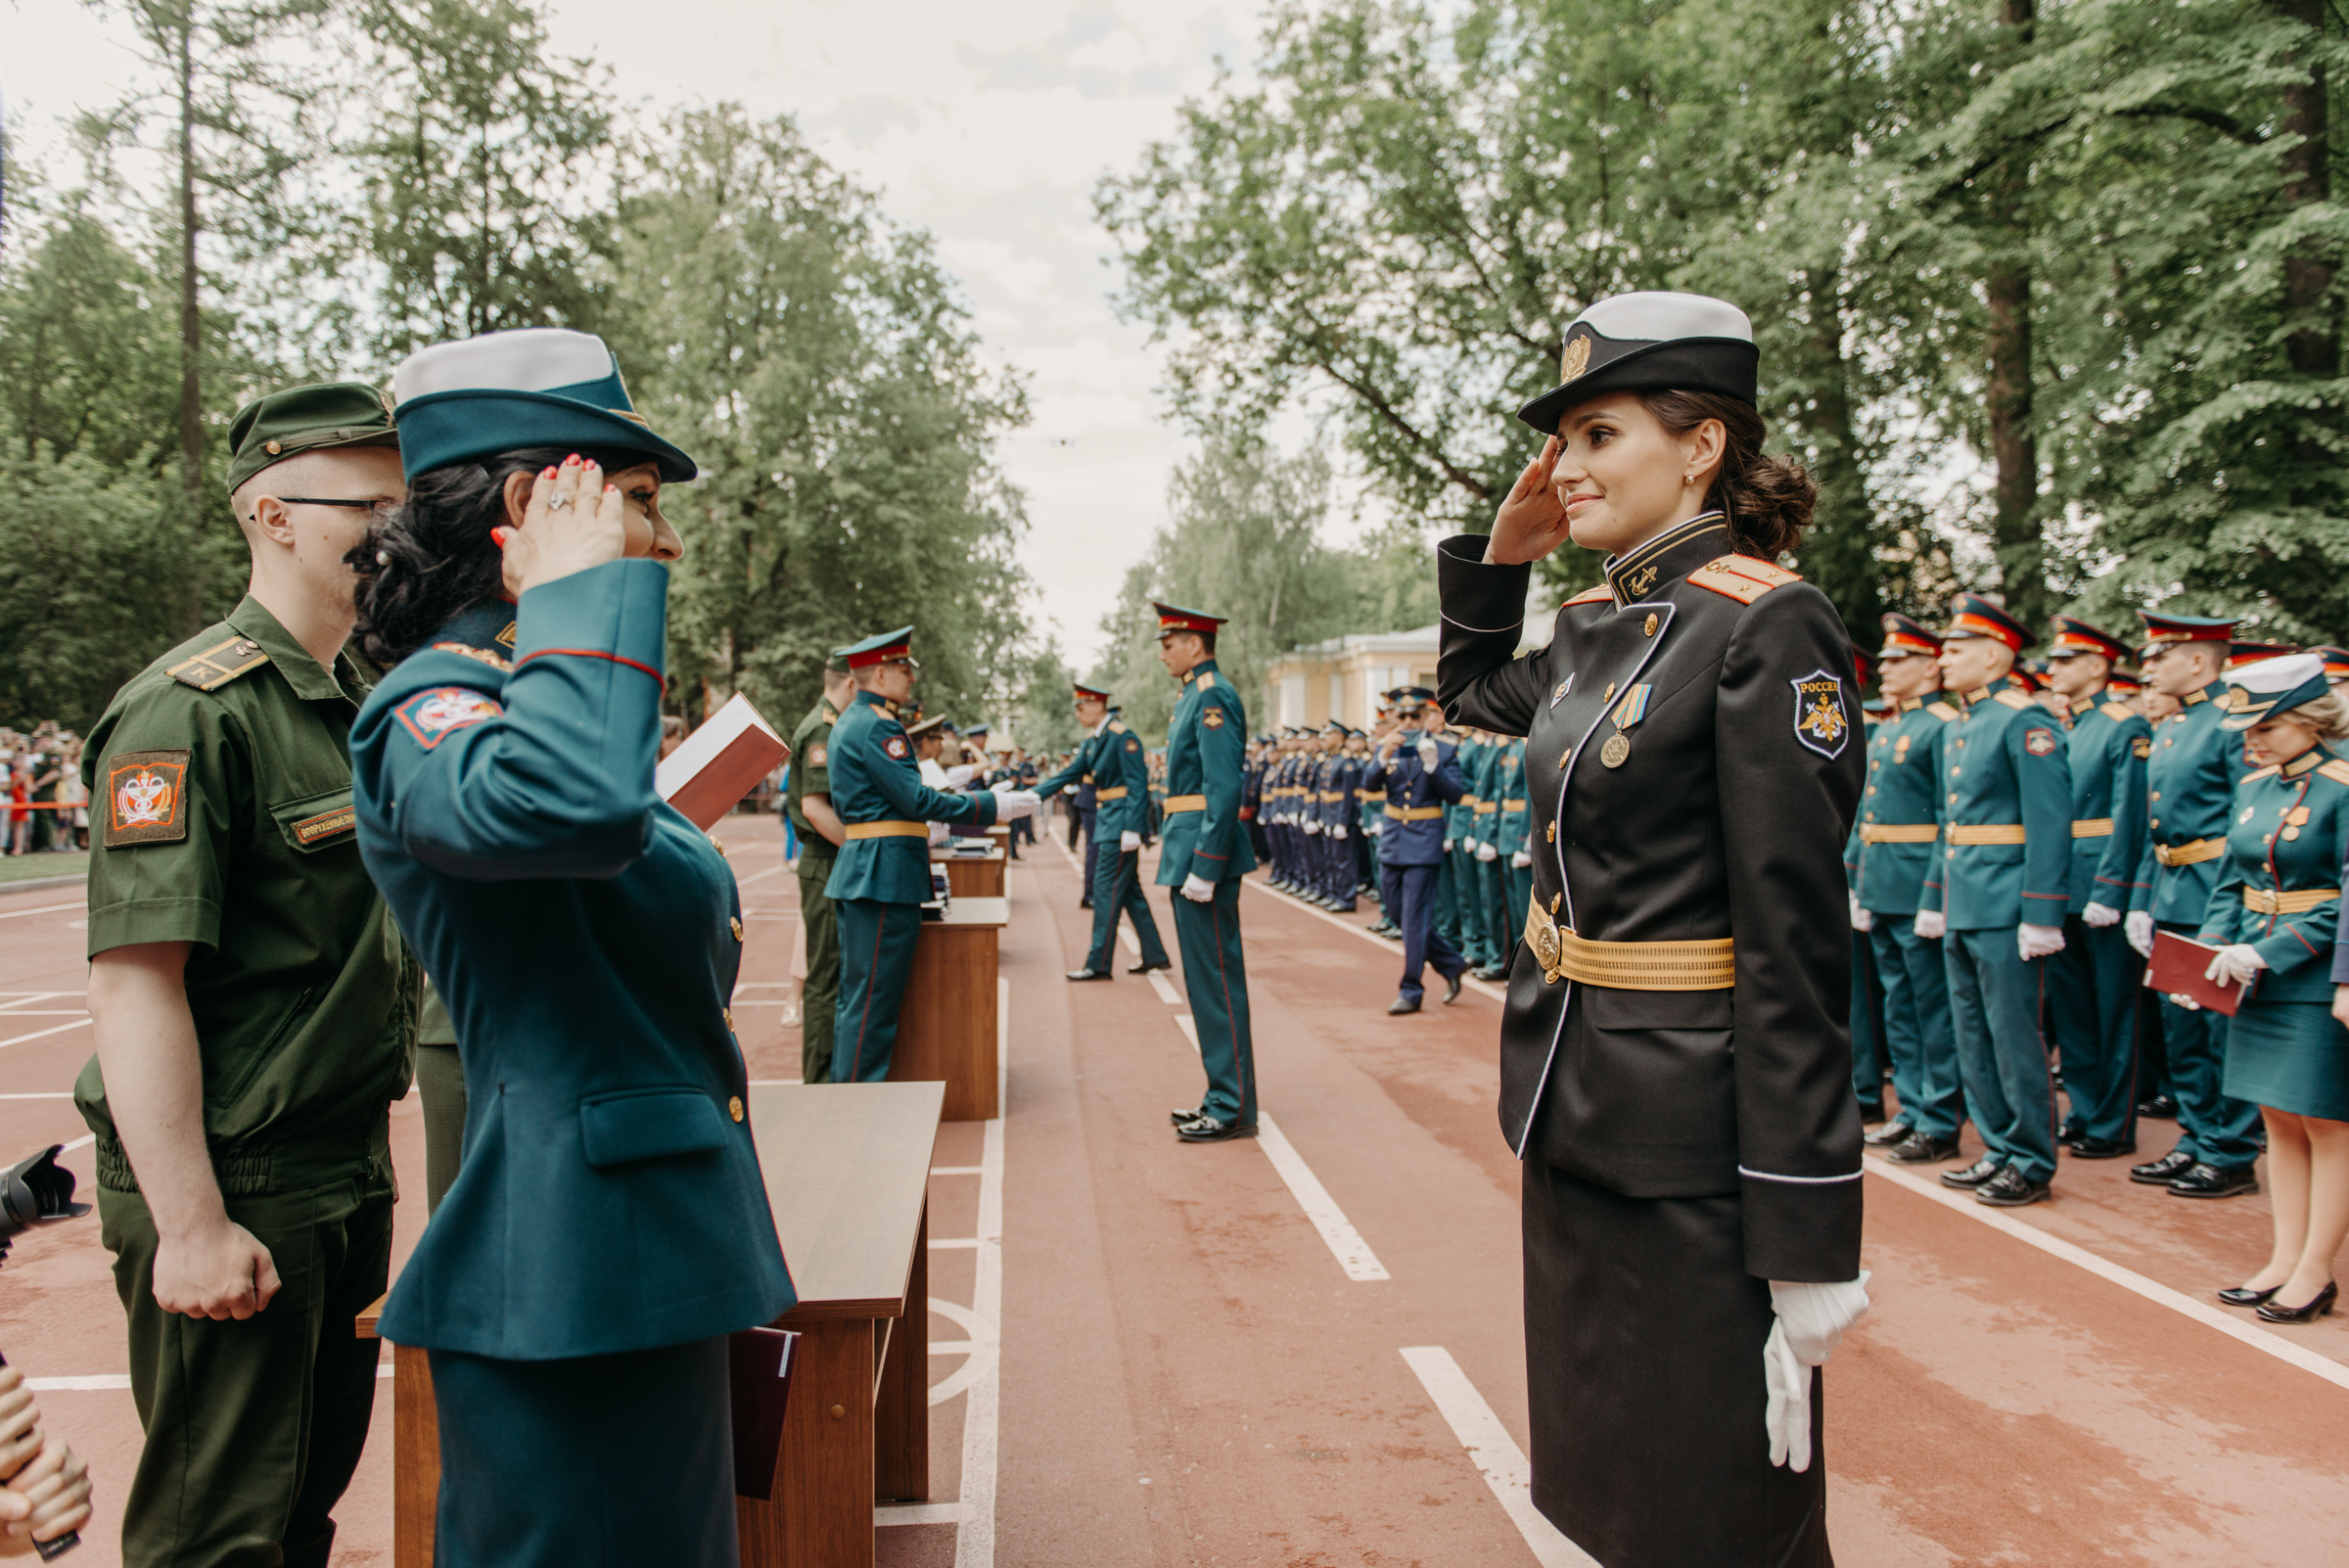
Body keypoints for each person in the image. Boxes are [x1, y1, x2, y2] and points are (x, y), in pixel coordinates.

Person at [346, 329, 794, 1564]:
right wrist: (579, 592)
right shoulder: (431, 709)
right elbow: (569, 815)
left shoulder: (528, 705)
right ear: (534, 505)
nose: (668, 540)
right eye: (640, 503)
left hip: (635, 1264)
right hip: (576, 1281)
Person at [1440, 291, 1867, 1567]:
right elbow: (1470, 688)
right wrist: (1504, 552)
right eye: (1562, 441)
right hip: (1577, 1117)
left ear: (1701, 446)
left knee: (1722, 1517)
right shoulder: (1592, 628)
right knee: (1616, 1499)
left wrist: (1805, 1236)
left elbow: (1796, 950)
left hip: (1698, 1155)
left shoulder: (1764, 622)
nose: (1567, 467)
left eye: (1599, 435)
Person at [77, 382, 416, 1568]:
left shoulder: (354, 702)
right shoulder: (188, 712)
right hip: (239, 1175)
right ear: (271, 514)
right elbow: (133, 982)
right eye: (367, 504)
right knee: (216, 1536)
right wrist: (191, 1223)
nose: (394, 530)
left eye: (403, 501)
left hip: (338, 1163)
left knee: (300, 1514)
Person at [2188, 655, 2349, 1321]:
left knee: (2327, 1122)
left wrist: (2268, 951)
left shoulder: (2343, 787)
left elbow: (2343, 897)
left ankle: (2316, 1269)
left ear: (2309, 720)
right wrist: (2203, 955)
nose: (2251, 741)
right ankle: (2284, 1257)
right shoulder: (2255, 788)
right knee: (2277, 1119)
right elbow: (2232, 882)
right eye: (2248, 729)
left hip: (2316, 974)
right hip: (2253, 973)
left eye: (2267, 728)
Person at [825, 628, 1038, 1082]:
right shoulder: (879, 725)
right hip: (883, 870)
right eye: (904, 670)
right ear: (879, 673)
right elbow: (917, 801)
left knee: (861, 998)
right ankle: (856, 1107)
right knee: (873, 1004)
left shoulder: (855, 720)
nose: (910, 679)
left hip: (871, 866)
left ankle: (852, 1101)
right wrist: (991, 805)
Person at [1920, 593, 2072, 1208]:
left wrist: (2041, 913)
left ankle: (2031, 1157)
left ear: (1995, 654)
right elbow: (1950, 823)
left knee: (2013, 1037)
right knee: (1972, 1036)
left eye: (1956, 649)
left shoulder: (2024, 720)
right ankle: (1998, 1146)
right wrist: (1936, 897)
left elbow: (2049, 823)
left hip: (2007, 906)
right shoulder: (1962, 723)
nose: (1943, 659)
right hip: (1965, 899)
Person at [2127, 610, 2264, 1198]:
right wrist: (2142, 898)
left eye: (2163, 655)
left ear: (2200, 660)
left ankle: (2229, 1150)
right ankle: (2197, 1136)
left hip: (2215, 892)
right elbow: (2155, 826)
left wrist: (2229, 913)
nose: (2150, 666)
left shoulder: (2230, 724)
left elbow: (2247, 825)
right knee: (2181, 1025)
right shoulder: (2177, 724)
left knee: (2216, 1028)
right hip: (2174, 889)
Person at [1848, 614, 1965, 1164]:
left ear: (1928, 666)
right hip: (1884, 883)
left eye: (1899, 661)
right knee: (1900, 1006)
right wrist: (1856, 879)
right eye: (1887, 660)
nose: (1886, 670)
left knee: (1931, 1008)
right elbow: (1868, 814)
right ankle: (1914, 1108)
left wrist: (1934, 895)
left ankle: (1940, 1118)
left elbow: (1950, 819)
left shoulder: (1942, 724)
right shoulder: (1892, 724)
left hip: (1919, 885)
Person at [2043, 617, 2153, 1160]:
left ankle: (2113, 1122)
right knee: (2075, 1012)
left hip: (2102, 886)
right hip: (2063, 886)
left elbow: (2128, 816)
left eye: (2066, 660)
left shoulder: (2122, 726)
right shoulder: (2066, 727)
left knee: (2115, 1011)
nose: (2054, 668)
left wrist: (2111, 890)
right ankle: (2085, 1110)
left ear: (2097, 666)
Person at [1153, 603, 1261, 1141]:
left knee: (1216, 984)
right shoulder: (1193, 694)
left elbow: (1222, 786)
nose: (1162, 652)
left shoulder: (1212, 694)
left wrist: (1207, 865)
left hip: (1201, 855)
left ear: (1195, 644)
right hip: (1187, 848)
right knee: (1205, 985)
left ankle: (1232, 1105)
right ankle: (1222, 1092)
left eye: (1169, 643)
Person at [1036, 685, 1172, 982]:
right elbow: (1069, 774)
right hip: (1109, 821)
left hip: (1119, 825)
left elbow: (1138, 785)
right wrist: (1032, 796)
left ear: (1098, 706)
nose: (1077, 713)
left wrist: (1134, 829)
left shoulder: (1123, 737)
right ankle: (1155, 954)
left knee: (1104, 890)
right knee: (1130, 892)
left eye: (1081, 707)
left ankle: (1098, 963)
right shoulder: (1095, 740)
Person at [1363, 689, 1467, 1014]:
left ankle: (1411, 989)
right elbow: (1368, 784)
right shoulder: (1389, 747)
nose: (1408, 722)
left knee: (1413, 919)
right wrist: (1381, 758)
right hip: (1393, 839)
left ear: (1425, 717)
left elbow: (1455, 795)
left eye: (1415, 716)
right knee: (1397, 914)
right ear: (1395, 717)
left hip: (1423, 843)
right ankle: (1451, 963)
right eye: (1403, 716)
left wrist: (1434, 766)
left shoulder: (1445, 749)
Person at [787, 654, 854, 1087]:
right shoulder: (821, 729)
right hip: (825, 862)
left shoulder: (827, 726)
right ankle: (820, 1082)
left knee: (832, 975)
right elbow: (814, 807)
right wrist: (859, 847)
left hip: (830, 862)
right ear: (849, 683)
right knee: (824, 980)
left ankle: (828, 1077)